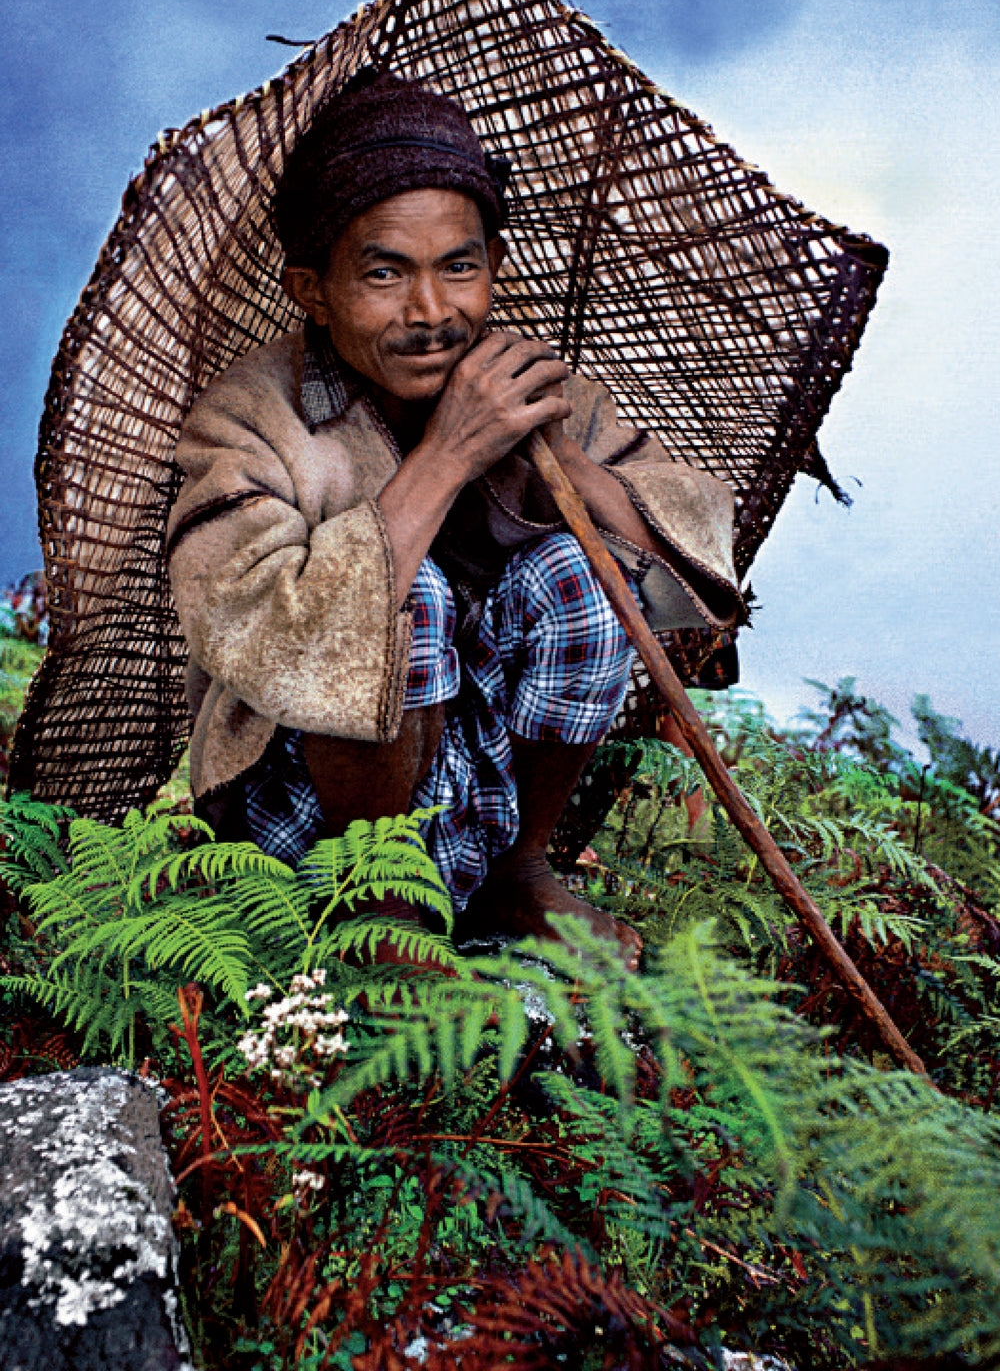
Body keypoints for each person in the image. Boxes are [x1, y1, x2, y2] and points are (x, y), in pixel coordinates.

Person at [166, 70, 743, 968]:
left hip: (470, 788)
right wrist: (448, 456)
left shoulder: (529, 392)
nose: (432, 313)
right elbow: (274, 633)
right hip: (302, 817)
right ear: (313, 292)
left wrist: (569, 473)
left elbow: (687, 559)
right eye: (385, 274)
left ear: (492, 271)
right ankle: (385, 910)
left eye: (459, 267)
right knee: (406, 598)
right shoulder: (243, 422)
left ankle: (516, 871)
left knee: (580, 578)